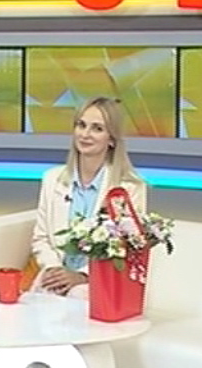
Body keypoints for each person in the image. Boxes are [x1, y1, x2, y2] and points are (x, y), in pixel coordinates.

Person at [29, 96, 149, 299]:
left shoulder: (129, 188)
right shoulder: (52, 179)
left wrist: (82, 275)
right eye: (81, 125)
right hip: (54, 279)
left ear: (111, 139)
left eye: (97, 128)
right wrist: (54, 270)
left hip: (98, 283)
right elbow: (41, 238)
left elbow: (126, 249)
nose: (85, 134)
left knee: (78, 295)